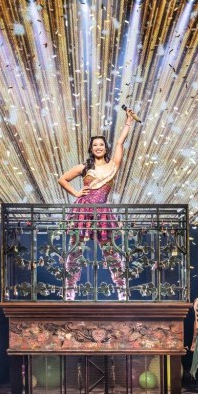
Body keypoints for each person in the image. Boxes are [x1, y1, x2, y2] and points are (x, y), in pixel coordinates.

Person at [57, 109, 135, 300]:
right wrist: (76, 192)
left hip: (102, 212)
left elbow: (120, 142)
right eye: (95, 145)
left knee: (110, 251)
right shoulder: (84, 167)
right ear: (91, 149)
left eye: (101, 144)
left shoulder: (112, 166)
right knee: (75, 250)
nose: (98, 147)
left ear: (105, 148)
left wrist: (128, 122)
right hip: (83, 210)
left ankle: (122, 290)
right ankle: (69, 291)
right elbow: (62, 179)